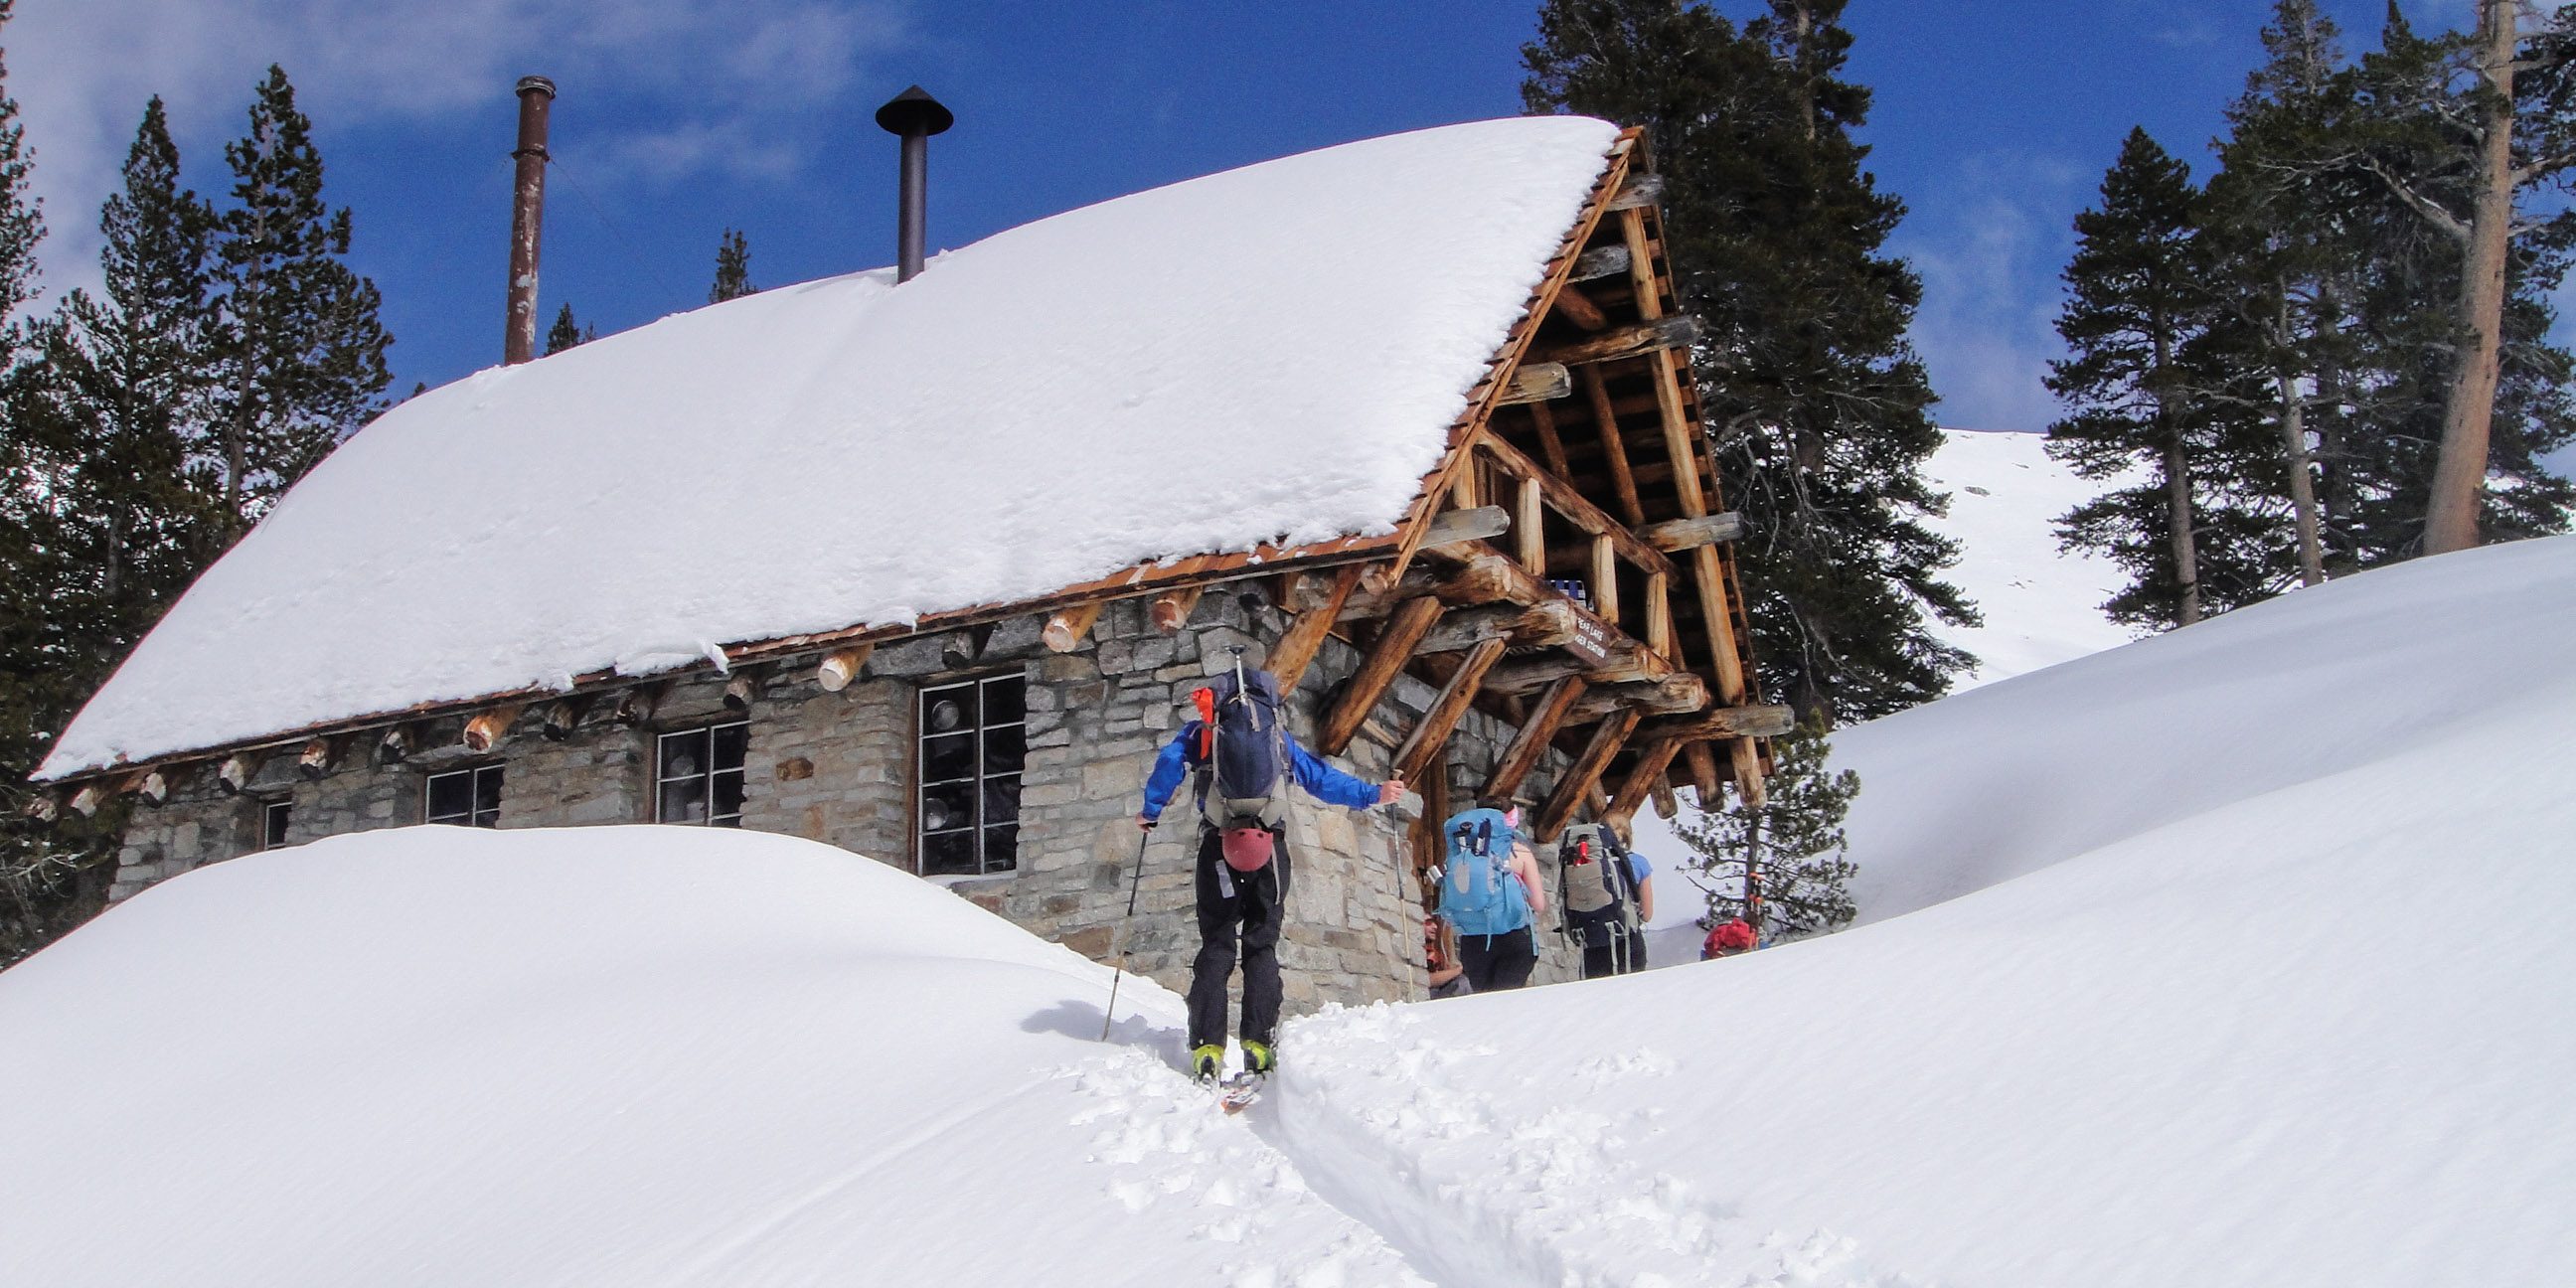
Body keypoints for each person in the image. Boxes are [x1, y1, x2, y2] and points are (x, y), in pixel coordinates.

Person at [1138, 664, 1402, 1082]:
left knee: (1217, 944)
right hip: (1270, 852)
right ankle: (1258, 1045)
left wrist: (1151, 811)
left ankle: (1207, 1046)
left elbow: (1170, 763)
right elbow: (1320, 779)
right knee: (1262, 946)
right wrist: (1371, 794)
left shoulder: (1200, 733)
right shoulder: (1278, 739)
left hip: (1218, 848)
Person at [1443, 802, 1546, 992]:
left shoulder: (1461, 853)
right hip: (1513, 938)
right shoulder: (1519, 852)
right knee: (1509, 1005)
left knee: (1486, 1006)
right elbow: (1538, 904)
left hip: (1473, 943)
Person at [1424, 915, 1470, 999]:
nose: (1435, 926)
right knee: (1461, 982)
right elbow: (1427, 979)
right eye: (1428, 923)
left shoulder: (1435, 952)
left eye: (1435, 923)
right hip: (1427, 997)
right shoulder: (1422, 953)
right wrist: (1459, 970)